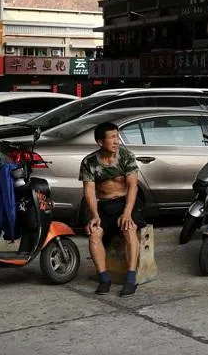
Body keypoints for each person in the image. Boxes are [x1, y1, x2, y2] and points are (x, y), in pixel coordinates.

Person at [79, 122, 145, 297]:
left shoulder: (126, 156)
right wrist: (94, 215)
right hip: (104, 205)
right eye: (112, 137)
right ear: (100, 142)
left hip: (126, 202)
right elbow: (89, 191)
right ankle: (104, 278)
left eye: (117, 136)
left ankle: (131, 279)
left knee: (129, 228)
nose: (116, 141)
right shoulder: (89, 162)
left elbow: (133, 187)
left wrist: (127, 213)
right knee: (94, 234)